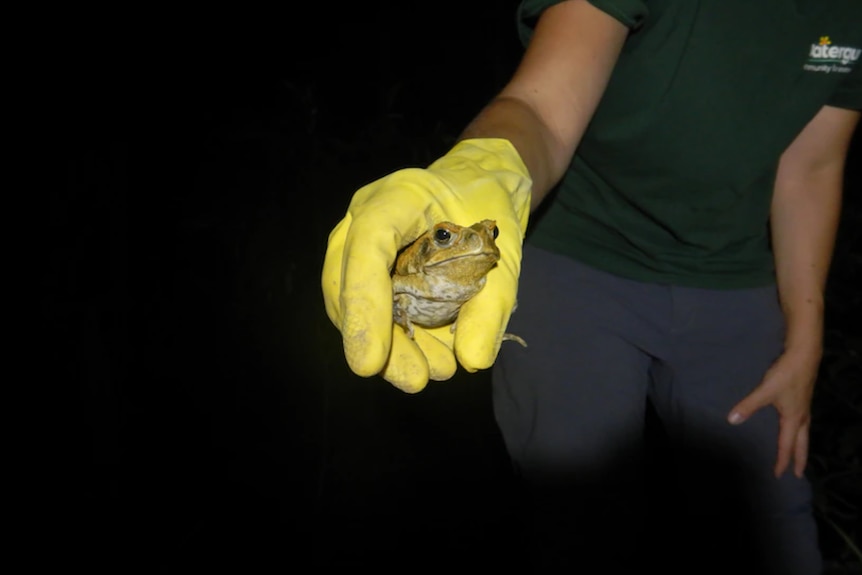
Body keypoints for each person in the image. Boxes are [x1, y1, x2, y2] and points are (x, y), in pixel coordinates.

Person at [321, 0, 861, 572]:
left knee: (773, 523)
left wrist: (807, 335)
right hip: (576, 254)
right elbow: (545, 107)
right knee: (579, 526)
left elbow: (812, 166)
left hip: (735, 273)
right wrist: (485, 164)